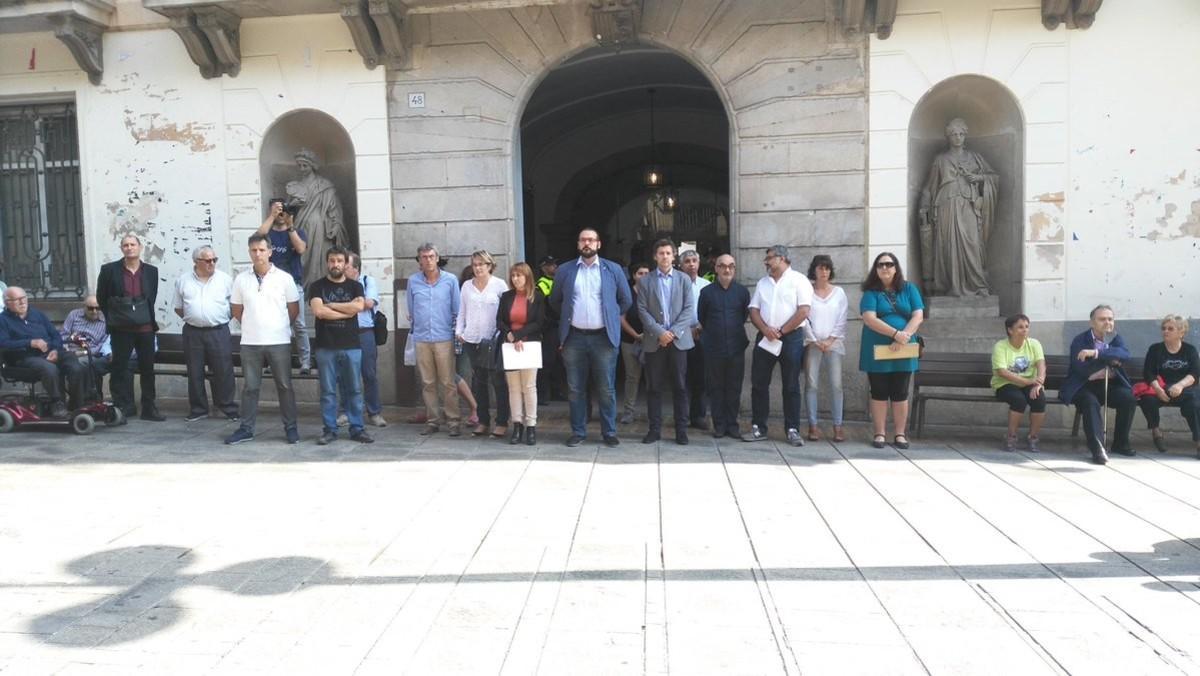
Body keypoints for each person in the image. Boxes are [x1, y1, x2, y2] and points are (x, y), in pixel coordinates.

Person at [549, 227, 633, 447]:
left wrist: (610, 317)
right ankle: (578, 431)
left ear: (598, 244)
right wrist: (570, 316)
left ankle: (609, 432)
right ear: (578, 244)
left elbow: (626, 300)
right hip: (574, 338)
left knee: (606, 388)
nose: (587, 243)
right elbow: (555, 300)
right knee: (575, 388)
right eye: (583, 240)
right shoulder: (565, 270)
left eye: (591, 240)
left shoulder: (613, 270)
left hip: (603, 338)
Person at [225, 234, 301, 445]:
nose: (257, 254)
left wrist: (277, 325)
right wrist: (253, 324)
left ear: (270, 251)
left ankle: (291, 428)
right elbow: (237, 310)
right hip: (250, 342)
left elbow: (293, 310)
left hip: (279, 341)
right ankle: (246, 428)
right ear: (249, 252)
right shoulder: (241, 279)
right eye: (253, 250)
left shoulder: (284, 278)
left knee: (285, 385)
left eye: (261, 250)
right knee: (250, 387)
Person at [917, 117, 997, 297]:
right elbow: (930, 186)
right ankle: (949, 286)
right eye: (954, 134)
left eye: (961, 134)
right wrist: (923, 207)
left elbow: (994, 178)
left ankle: (977, 285)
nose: (958, 137)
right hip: (946, 204)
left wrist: (979, 178)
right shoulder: (940, 159)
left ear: (965, 135)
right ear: (948, 137)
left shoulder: (975, 158)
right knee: (948, 244)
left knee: (973, 243)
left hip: (969, 204)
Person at [744, 245, 812, 446]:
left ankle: (792, 429)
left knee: (791, 385)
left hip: (790, 338)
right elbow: (754, 310)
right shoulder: (763, 283)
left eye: (769, 258)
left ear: (782, 259)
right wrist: (766, 329)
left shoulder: (799, 280)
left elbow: (803, 311)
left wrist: (781, 331)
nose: (766, 262)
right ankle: (758, 427)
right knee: (758, 383)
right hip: (765, 337)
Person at [859, 251, 924, 450]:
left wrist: (903, 336)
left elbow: (918, 315)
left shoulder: (909, 289)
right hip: (878, 349)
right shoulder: (871, 293)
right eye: (880, 265)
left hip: (903, 349)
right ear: (875, 270)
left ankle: (900, 434)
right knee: (878, 391)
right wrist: (896, 334)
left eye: (888, 264)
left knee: (900, 391)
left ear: (896, 268)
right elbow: (869, 318)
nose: (884, 268)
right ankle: (879, 433)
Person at [96, 234, 164, 421]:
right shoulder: (110, 270)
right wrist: (115, 318)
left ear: (140, 247)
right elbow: (102, 297)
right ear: (121, 249)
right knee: (119, 367)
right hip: (121, 328)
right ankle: (124, 406)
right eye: (125, 245)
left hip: (145, 328)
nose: (129, 248)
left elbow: (152, 297)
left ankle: (149, 408)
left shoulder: (151, 271)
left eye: (133, 244)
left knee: (147, 369)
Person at [309, 247, 372, 445]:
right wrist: (347, 310)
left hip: (351, 345)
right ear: (327, 263)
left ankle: (357, 428)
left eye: (339, 261)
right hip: (325, 346)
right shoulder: (317, 286)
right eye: (332, 260)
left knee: (354, 389)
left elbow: (359, 307)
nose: (335, 264)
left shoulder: (356, 286)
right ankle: (329, 429)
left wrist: (331, 306)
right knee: (328, 391)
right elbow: (319, 312)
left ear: (345, 264)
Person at [1060, 305, 1136, 464]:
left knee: (1128, 398)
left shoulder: (1115, 338)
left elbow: (1124, 354)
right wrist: (1107, 360)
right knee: (1090, 402)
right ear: (1092, 322)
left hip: (1110, 384)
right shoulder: (1080, 340)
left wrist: (1096, 353)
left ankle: (1120, 443)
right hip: (1084, 385)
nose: (1107, 323)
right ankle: (1097, 448)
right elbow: (1080, 367)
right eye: (1102, 319)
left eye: (1110, 319)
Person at [0, 286, 93, 417]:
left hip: (49, 352)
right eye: (17, 300)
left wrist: (55, 349)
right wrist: (30, 343)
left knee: (74, 364)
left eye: (24, 298)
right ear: (7, 303)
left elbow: (55, 335)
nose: (22, 302)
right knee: (49, 368)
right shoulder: (3, 320)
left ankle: (77, 403)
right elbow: (3, 343)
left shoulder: (37, 314)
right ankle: (56, 403)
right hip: (23, 357)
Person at [637, 239, 695, 445]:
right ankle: (654, 430)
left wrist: (673, 332)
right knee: (654, 388)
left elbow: (689, 308)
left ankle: (681, 430)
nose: (664, 257)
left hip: (679, 341)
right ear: (655, 256)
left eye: (668, 253)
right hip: (655, 342)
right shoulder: (645, 281)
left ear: (674, 256)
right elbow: (642, 310)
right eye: (661, 253)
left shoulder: (683, 279)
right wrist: (660, 332)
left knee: (680, 386)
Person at [172, 246, 239, 422]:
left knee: (223, 370)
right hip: (193, 331)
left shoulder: (225, 279)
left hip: (218, 330)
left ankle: (227, 406)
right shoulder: (183, 280)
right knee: (194, 371)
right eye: (207, 260)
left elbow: (234, 306)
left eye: (214, 260)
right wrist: (196, 318)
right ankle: (198, 409)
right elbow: (178, 307)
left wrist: (217, 318)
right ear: (196, 261)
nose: (212, 263)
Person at [407, 243, 461, 436]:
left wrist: (456, 336)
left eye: (431, 256)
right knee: (428, 382)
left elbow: (457, 309)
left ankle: (453, 421)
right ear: (419, 260)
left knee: (448, 382)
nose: (428, 260)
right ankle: (433, 420)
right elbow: (412, 310)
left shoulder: (450, 280)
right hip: (422, 337)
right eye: (424, 257)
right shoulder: (413, 281)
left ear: (437, 258)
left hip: (444, 337)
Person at [456, 251, 510, 438]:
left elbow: (506, 311)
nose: (478, 268)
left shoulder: (499, 285)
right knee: (479, 382)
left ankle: (502, 421)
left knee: (498, 381)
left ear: (489, 265)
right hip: (471, 339)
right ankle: (483, 421)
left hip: (492, 340)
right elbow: (462, 311)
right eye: (475, 264)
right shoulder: (466, 286)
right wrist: (459, 332)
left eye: (482, 264)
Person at [698, 254, 750, 439]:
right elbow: (702, 317)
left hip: (736, 346)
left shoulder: (742, 292)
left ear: (734, 269)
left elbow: (744, 316)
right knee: (716, 387)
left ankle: (732, 425)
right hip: (714, 347)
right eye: (722, 266)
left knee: (734, 387)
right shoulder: (706, 293)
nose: (727, 270)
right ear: (716, 268)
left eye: (730, 266)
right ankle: (719, 425)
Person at [256, 199, 311, 374]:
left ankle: (306, 363)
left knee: (299, 325)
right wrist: (272, 216)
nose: (281, 213)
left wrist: (290, 226)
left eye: (283, 209)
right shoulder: (268, 233)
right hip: (271, 285)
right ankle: (274, 364)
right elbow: (257, 239)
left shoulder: (298, 231)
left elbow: (301, 249)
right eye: (278, 209)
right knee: (274, 324)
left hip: (293, 283)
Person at [496, 262, 546, 445]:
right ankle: (517, 425)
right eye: (513, 276)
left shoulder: (537, 297)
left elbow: (538, 323)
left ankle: (531, 426)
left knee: (529, 387)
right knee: (514, 388)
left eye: (519, 275)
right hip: (510, 346)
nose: (516, 279)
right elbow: (500, 321)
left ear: (527, 276)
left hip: (529, 344)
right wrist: (510, 335)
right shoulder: (506, 296)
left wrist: (518, 335)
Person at [1139, 314, 1200, 457]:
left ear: (1181, 332)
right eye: (1163, 328)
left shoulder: (1189, 350)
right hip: (1160, 389)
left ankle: (1198, 442)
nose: (1165, 331)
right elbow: (1149, 373)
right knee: (1147, 400)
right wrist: (1158, 389)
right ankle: (1156, 431)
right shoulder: (1155, 349)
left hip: (1184, 391)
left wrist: (1179, 386)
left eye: (1170, 328)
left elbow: (1195, 374)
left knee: (1194, 404)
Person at [288, 148, 349, 289]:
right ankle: (303, 290)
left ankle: (318, 290)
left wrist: (335, 224)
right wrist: (293, 204)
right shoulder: (294, 186)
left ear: (312, 166)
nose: (302, 169)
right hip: (300, 225)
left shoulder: (324, 186)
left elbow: (333, 208)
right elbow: (286, 210)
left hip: (319, 227)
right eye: (300, 166)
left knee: (318, 258)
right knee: (302, 257)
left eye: (305, 165)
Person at [803, 255, 848, 442]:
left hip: (834, 344)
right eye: (821, 268)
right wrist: (814, 340)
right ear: (814, 270)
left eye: (827, 268)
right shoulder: (806, 292)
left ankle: (838, 426)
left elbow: (842, 318)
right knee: (811, 385)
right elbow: (803, 316)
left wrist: (829, 340)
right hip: (812, 344)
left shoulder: (839, 293)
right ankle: (813, 426)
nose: (824, 272)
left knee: (836, 385)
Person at [991, 314, 1046, 453]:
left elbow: (1041, 365)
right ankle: (1011, 436)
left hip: (1030, 383)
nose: (1025, 330)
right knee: (1018, 400)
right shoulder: (1001, 346)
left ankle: (1033, 437)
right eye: (1020, 327)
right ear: (1010, 330)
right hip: (1005, 384)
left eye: (1027, 327)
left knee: (1039, 399)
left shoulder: (1034, 344)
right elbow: (1002, 372)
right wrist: (1027, 381)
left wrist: (1039, 383)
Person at [344, 252, 386, 427]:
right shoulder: (338, 283)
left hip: (365, 333)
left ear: (356, 269)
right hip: (345, 333)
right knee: (345, 375)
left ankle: (374, 412)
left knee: (369, 374)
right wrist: (354, 305)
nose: (341, 268)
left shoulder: (368, 281)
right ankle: (347, 412)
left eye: (345, 265)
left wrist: (346, 305)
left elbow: (369, 303)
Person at [680, 249, 711, 431]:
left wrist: (700, 326)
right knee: (681, 379)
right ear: (681, 265)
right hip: (681, 336)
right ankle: (682, 416)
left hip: (700, 335)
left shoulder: (706, 285)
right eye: (687, 261)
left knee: (700, 379)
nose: (691, 264)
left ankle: (698, 416)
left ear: (699, 264)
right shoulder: (676, 283)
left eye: (694, 261)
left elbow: (709, 311)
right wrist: (685, 329)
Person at [61, 295, 112, 398]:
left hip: (91, 353)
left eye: (98, 308)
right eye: (90, 308)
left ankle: (88, 399)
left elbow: (102, 345)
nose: (94, 311)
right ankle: (77, 400)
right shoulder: (74, 315)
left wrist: (83, 353)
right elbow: (63, 335)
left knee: (81, 364)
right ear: (84, 307)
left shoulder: (106, 320)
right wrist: (66, 348)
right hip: (69, 351)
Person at [619, 262, 650, 424]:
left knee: (652, 377)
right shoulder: (627, 294)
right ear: (633, 276)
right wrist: (636, 335)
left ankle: (654, 412)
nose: (644, 276)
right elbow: (621, 318)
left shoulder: (654, 292)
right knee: (632, 377)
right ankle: (629, 411)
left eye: (647, 273)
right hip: (630, 340)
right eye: (640, 273)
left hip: (652, 341)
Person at [536, 255, 565, 401]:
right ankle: (543, 394)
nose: (555, 267)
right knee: (547, 361)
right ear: (544, 268)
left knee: (559, 361)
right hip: (550, 327)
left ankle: (557, 391)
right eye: (552, 265)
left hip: (560, 324)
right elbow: (547, 306)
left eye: (555, 264)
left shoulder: (558, 281)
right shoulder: (542, 284)